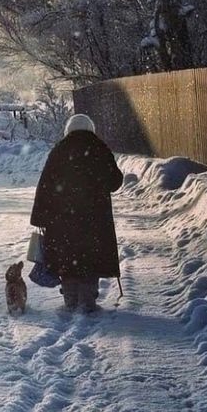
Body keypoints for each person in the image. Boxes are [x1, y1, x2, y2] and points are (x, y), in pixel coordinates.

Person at [30, 113, 123, 312]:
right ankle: (88, 300)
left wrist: (40, 216)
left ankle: (70, 299)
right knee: (90, 258)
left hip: (63, 219)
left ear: (68, 130)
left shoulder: (60, 150)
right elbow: (115, 182)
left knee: (67, 258)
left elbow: (45, 185)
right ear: (91, 129)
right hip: (94, 218)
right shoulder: (100, 149)